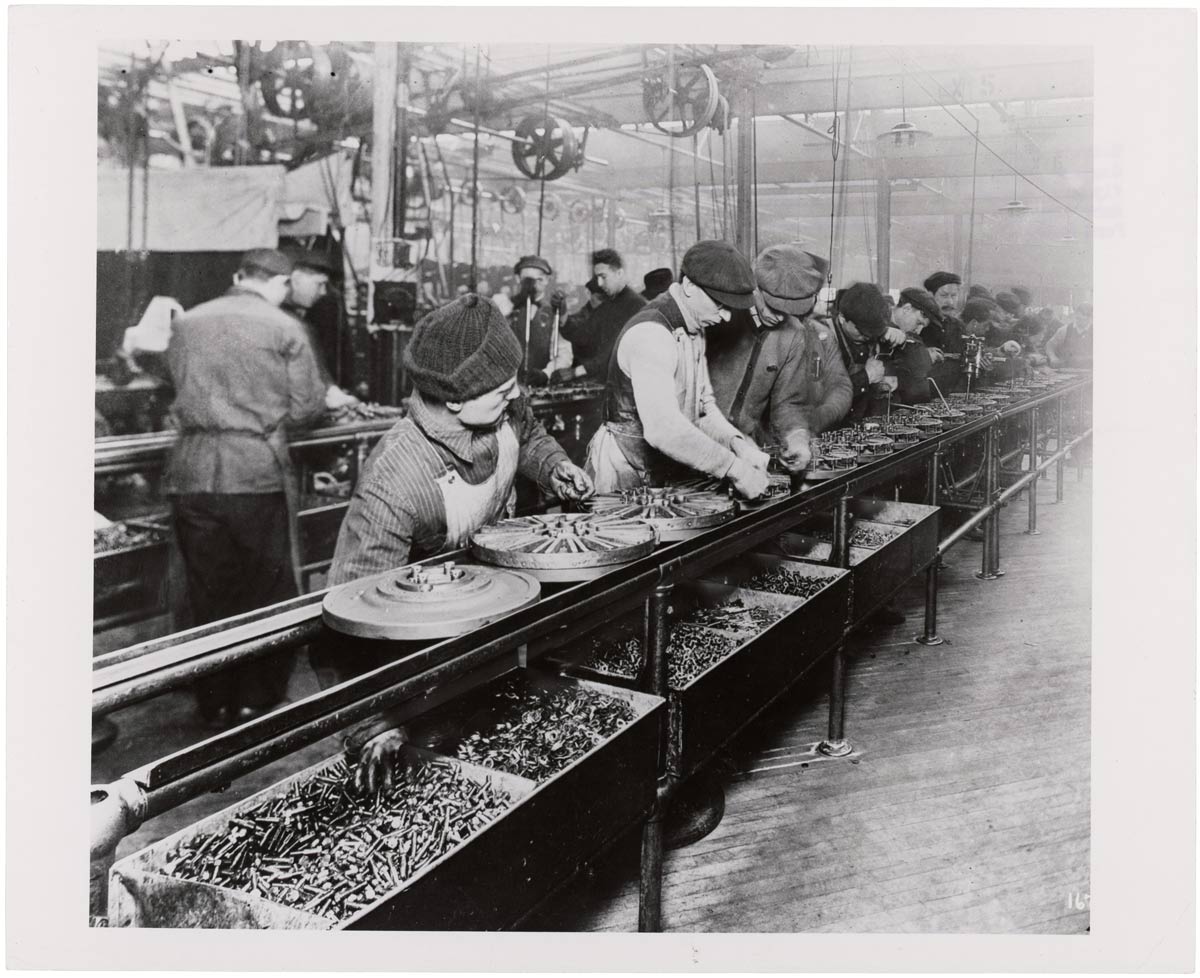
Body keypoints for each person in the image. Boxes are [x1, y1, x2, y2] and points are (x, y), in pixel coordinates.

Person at [163, 248, 328, 728]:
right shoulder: (284, 327)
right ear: (279, 284)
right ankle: (256, 696)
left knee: (208, 591)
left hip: (190, 470)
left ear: (239, 278)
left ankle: (213, 699)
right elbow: (307, 408)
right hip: (253, 473)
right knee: (264, 587)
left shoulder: (187, 322)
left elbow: (172, 384)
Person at [328, 293, 593, 587]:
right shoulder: (393, 481)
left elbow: (526, 434)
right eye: (503, 391)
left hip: (501, 585)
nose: (516, 395)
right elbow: (358, 598)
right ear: (455, 401)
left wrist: (553, 466)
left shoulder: (503, 408)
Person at [584, 239, 770, 499]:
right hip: (625, 472)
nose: (726, 316)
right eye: (720, 304)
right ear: (690, 287)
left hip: (661, 471)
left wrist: (737, 444)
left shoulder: (694, 327)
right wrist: (735, 469)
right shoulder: (651, 333)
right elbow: (664, 430)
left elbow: (704, 409)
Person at [706, 244, 850, 474]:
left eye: (788, 310)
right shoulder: (717, 318)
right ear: (755, 288)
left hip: (746, 455)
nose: (778, 316)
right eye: (772, 307)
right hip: (699, 445)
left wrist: (797, 438)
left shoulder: (794, 334)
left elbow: (788, 402)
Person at [282, 249, 359, 410]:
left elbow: (315, 365)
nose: (323, 292)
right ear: (296, 280)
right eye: (319, 284)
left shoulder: (300, 320)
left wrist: (333, 391)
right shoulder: (280, 321)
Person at [559, 248, 647, 382]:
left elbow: (614, 352)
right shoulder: (608, 304)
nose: (599, 283)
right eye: (597, 278)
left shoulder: (636, 306)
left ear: (619, 273)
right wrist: (563, 311)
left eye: (603, 277)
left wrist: (576, 371)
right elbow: (583, 335)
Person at [829, 282, 911, 419]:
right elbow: (822, 396)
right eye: (862, 331)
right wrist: (866, 377)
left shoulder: (873, 330)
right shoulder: (822, 338)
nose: (867, 337)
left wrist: (900, 338)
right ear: (842, 318)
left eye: (872, 332)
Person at [507, 255, 572, 386]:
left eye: (539, 279)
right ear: (517, 278)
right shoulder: (507, 308)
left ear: (547, 280)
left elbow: (564, 353)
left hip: (540, 386)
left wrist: (546, 373)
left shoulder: (554, 312)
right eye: (528, 280)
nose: (533, 285)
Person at [1045, 303, 1093, 368]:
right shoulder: (1064, 330)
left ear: (1090, 318)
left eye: (1083, 319)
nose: (1079, 321)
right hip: (1066, 370)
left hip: (1089, 372)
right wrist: (1053, 358)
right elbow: (1049, 345)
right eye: (1078, 318)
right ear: (1075, 315)